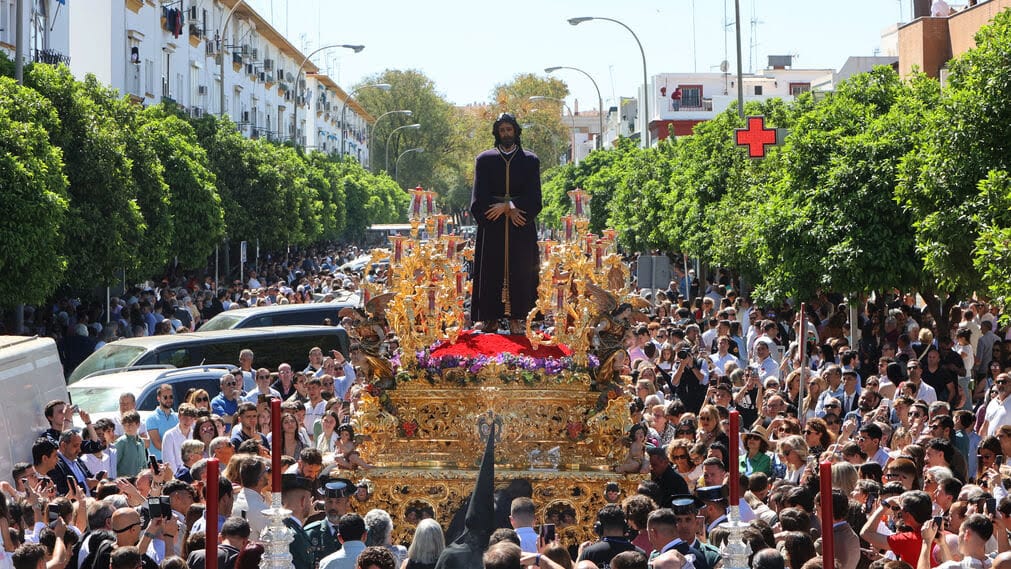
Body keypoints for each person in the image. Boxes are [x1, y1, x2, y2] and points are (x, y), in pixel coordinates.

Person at [469, 113, 541, 335]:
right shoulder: (485, 160)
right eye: (502, 130)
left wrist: (510, 205)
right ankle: (490, 318)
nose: (506, 134)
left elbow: (535, 198)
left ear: (516, 132)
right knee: (491, 270)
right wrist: (500, 208)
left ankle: (518, 318)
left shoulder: (530, 160)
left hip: (521, 226)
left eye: (509, 130)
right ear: (497, 133)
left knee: (522, 270)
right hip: (493, 227)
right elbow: (478, 199)